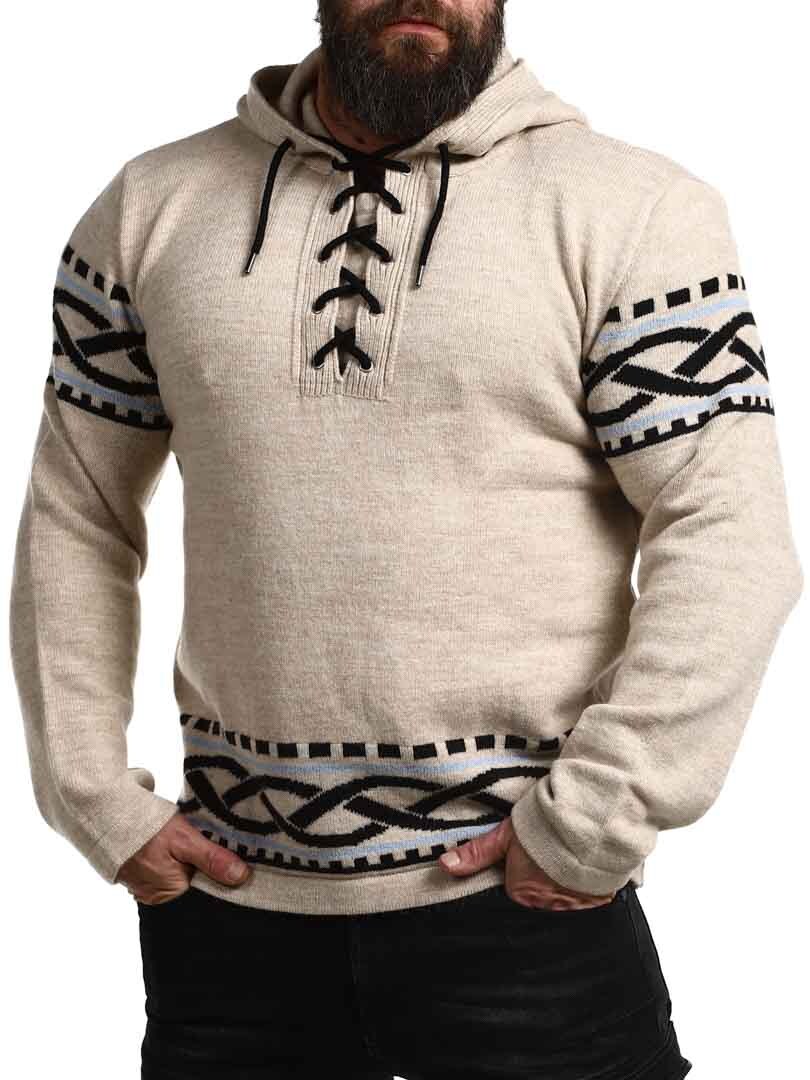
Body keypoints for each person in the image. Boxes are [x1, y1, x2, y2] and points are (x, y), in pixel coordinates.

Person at [9, 0, 803, 1077]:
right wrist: (95, 801)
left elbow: (728, 531)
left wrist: (597, 816)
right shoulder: (153, 206)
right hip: (229, 925)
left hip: (526, 910)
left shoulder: (633, 209)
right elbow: (77, 513)